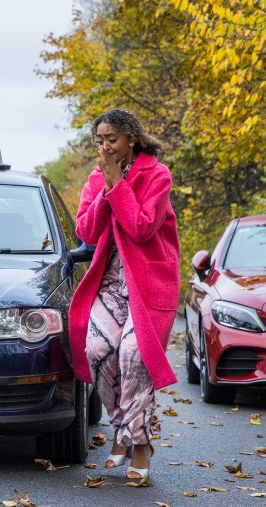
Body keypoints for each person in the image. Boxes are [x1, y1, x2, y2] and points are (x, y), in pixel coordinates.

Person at [68, 108, 180, 480]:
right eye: (99, 140)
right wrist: (106, 188)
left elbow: (143, 229)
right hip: (111, 283)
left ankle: (140, 445)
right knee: (97, 350)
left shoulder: (157, 176)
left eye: (111, 139)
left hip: (148, 284)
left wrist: (118, 185)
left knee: (134, 355)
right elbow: (86, 230)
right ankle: (125, 431)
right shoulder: (95, 178)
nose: (105, 146)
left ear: (131, 138)